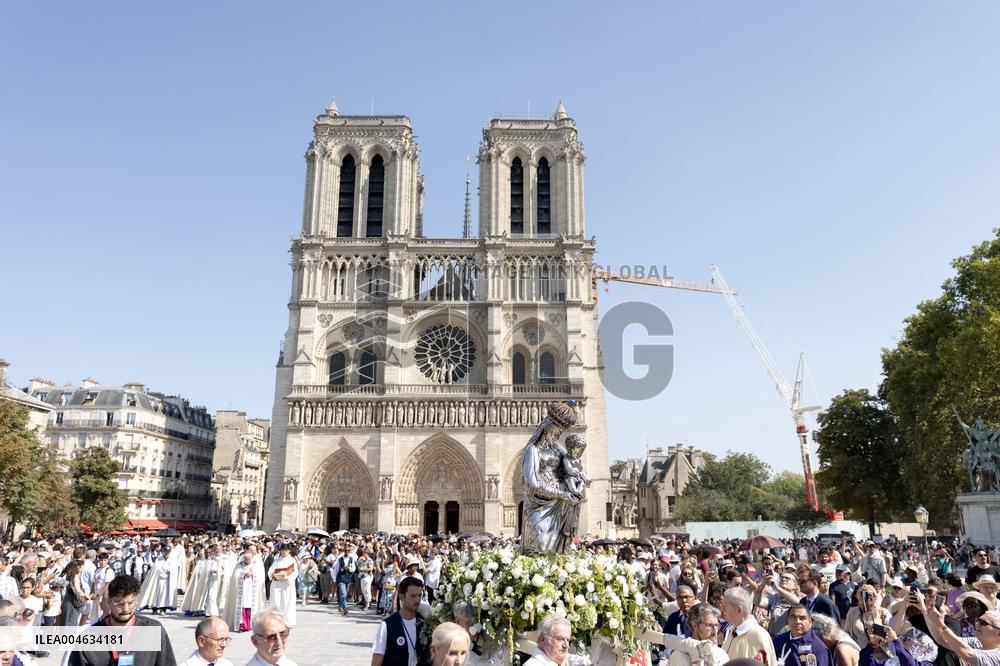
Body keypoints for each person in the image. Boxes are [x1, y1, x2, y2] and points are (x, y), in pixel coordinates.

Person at [67, 574, 177, 666]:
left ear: (137, 601)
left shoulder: (154, 630)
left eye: (131, 603)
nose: (126, 609)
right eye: (119, 603)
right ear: (109, 602)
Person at [371, 577, 430, 666]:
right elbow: (377, 659)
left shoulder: (425, 623)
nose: (417, 600)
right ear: (402, 597)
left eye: (419, 595)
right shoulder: (387, 625)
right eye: (413, 596)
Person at [721, 587, 777, 665]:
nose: (722, 609)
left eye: (725, 606)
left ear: (739, 610)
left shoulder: (759, 635)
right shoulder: (732, 630)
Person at [225, 551, 266, 633]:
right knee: (242, 606)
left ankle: (250, 624)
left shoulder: (255, 566)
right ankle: (241, 625)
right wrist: (243, 574)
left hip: (251, 590)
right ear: (243, 558)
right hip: (242, 591)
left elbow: (261, 577)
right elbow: (235, 576)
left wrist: (252, 574)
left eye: (249, 559)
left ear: (251, 558)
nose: (247, 561)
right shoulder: (239, 565)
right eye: (246, 559)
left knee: (250, 606)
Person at [266, 545, 297, 628]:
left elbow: (295, 572)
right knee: (276, 601)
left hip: (287, 585)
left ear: (289, 551)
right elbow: (270, 571)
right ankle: (275, 620)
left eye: (286, 550)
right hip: (277, 584)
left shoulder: (292, 560)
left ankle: (287, 621)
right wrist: (273, 574)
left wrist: (287, 577)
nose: (284, 552)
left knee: (287, 601)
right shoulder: (277, 560)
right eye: (282, 550)